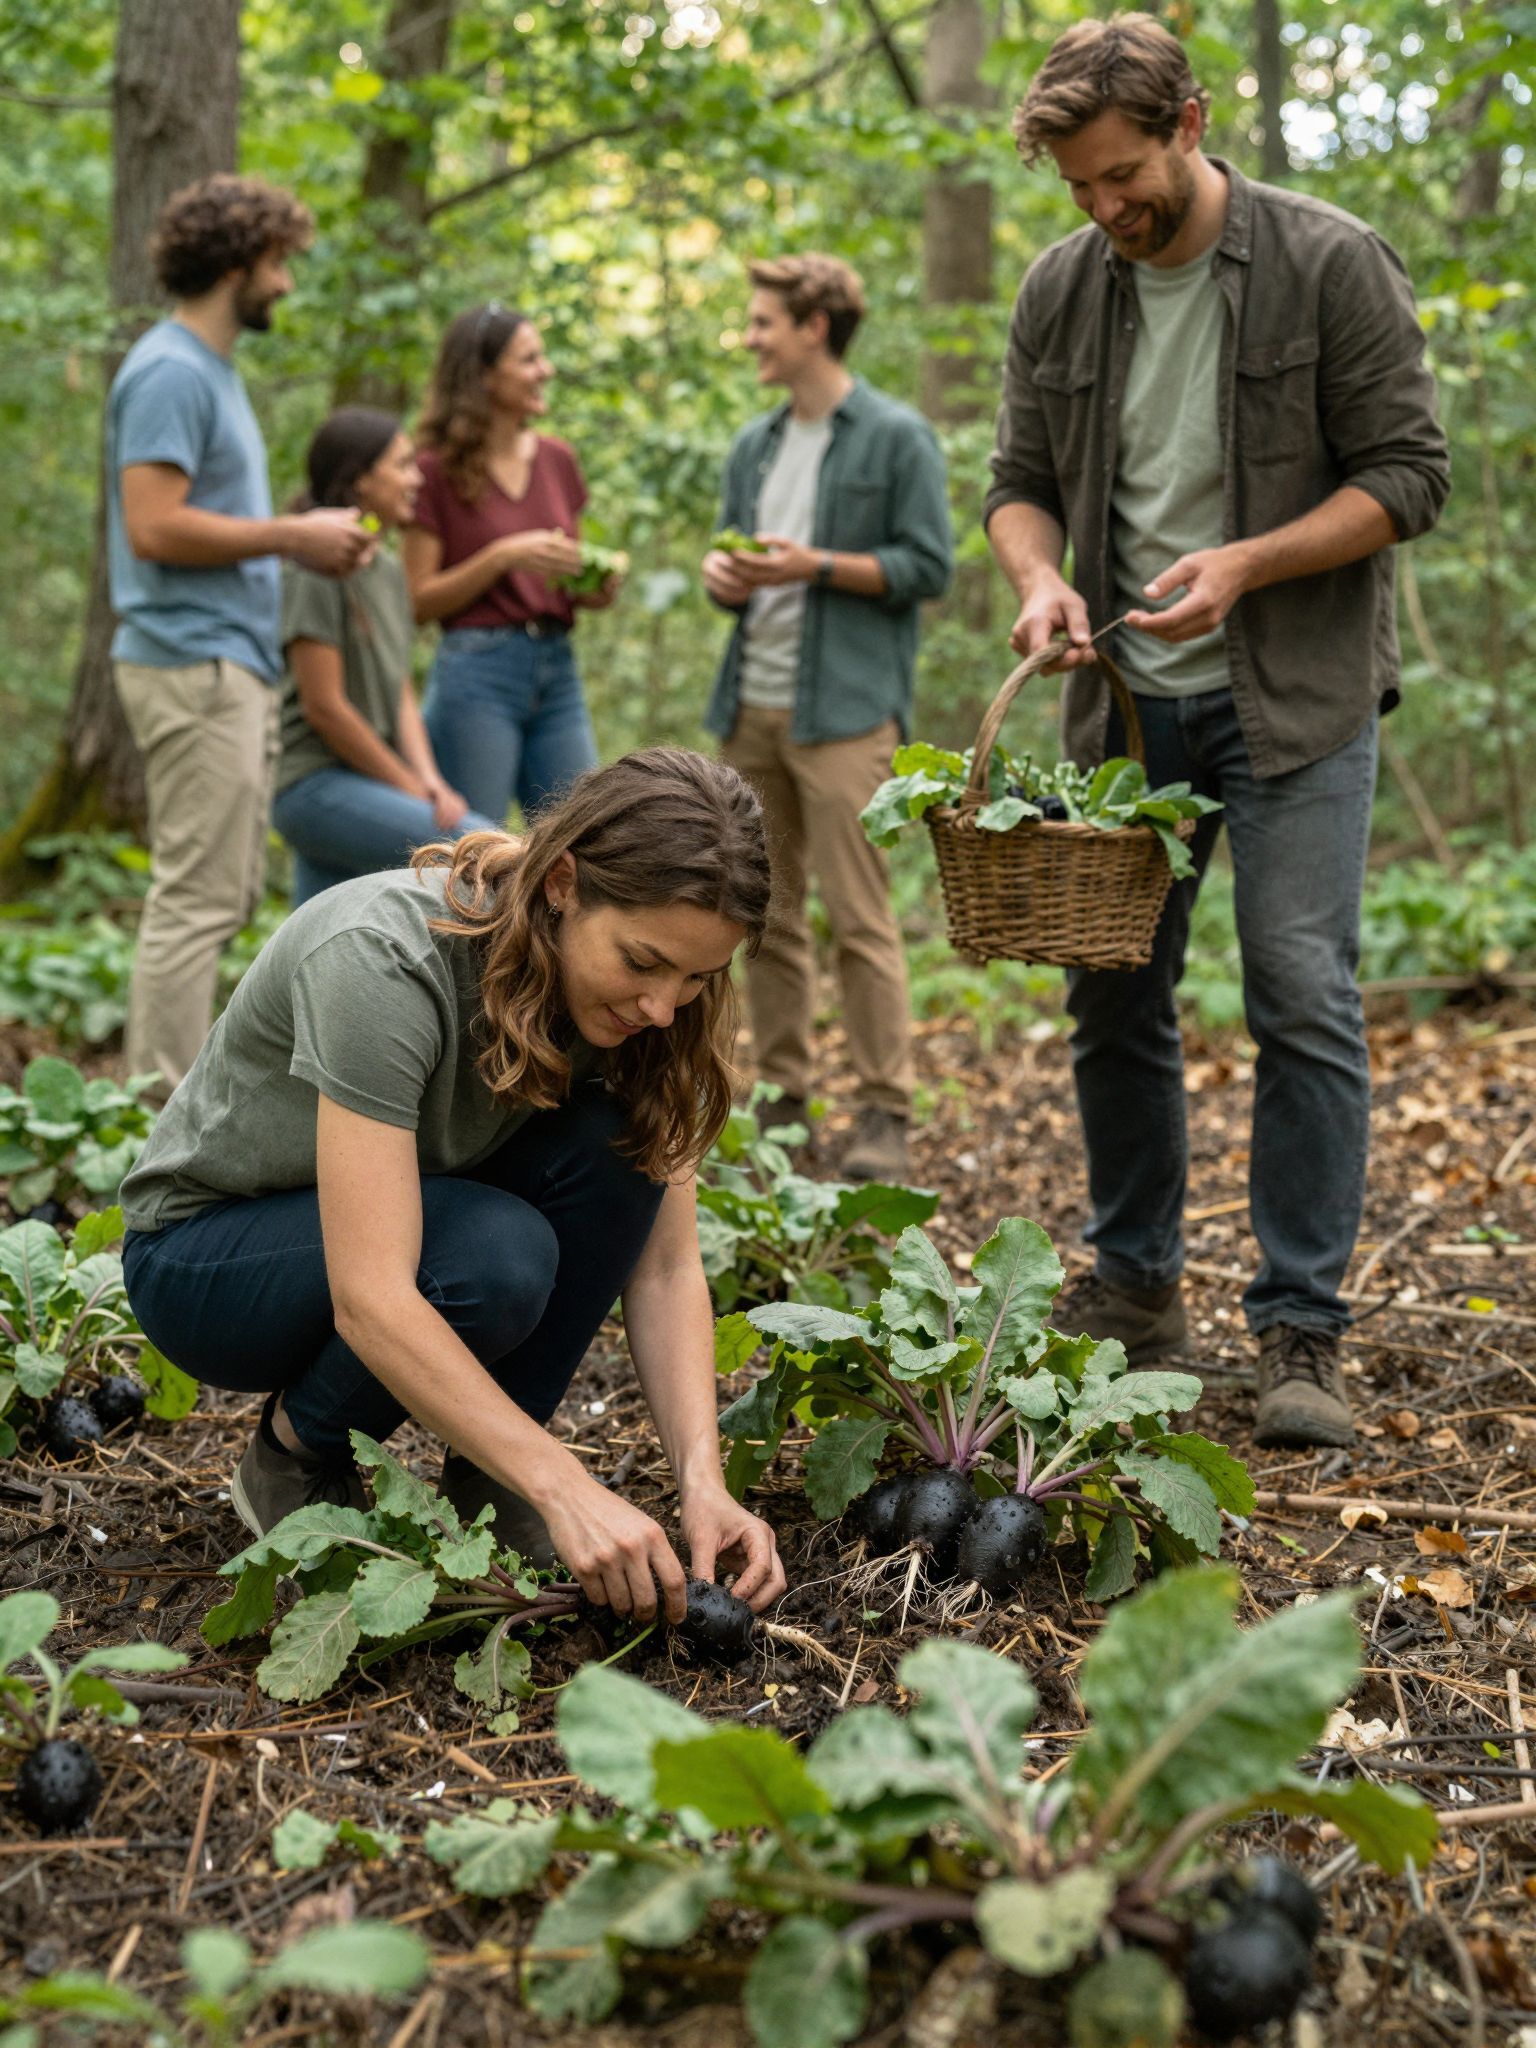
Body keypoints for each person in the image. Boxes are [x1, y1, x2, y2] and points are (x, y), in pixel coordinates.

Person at [985, 15, 1449, 1448]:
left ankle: (1300, 1329)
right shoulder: (1066, 288)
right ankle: (1136, 1282)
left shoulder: (1328, 259)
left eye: (1124, 176)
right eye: (1078, 188)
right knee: (1113, 996)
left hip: (1293, 694)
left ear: (1189, 122)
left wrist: (1248, 562)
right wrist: (1043, 577)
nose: (1106, 210)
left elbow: (1411, 477)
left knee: (1298, 990)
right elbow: (1018, 482)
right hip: (1124, 705)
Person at [117, 750, 785, 1623]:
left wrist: (704, 1481)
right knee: (493, 1255)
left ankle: (488, 1485)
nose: (664, 1005)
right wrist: (565, 1481)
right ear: (562, 884)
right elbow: (372, 1297)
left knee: (620, 1145)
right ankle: (292, 1456)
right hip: (208, 1260)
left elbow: (663, 1270)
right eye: (643, 961)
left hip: (415, 1218)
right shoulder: (382, 960)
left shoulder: (651, 1015)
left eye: (696, 978)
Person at [107, 174, 373, 1097]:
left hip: (228, 662)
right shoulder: (172, 370)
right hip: (192, 660)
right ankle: (149, 1112)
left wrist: (300, 549)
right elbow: (153, 525)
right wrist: (292, 535)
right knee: (194, 902)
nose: (287, 285)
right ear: (235, 263)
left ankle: (163, 1103)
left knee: (216, 897)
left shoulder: (208, 372)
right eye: (278, 263)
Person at [701, 255, 953, 1184]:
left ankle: (885, 1110)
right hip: (749, 710)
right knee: (757, 916)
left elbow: (929, 568)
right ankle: (782, 1098)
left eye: (764, 321)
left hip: (847, 715)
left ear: (815, 327)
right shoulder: (753, 444)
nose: (752, 336)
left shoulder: (897, 437)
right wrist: (720, 577)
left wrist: (813, 564)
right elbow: (735, 569)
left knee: (860, 917)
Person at [402, 304, 620, 830]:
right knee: (474, 852)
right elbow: (416, 600)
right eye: (529, 359)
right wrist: (501, 558)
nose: (545, 370)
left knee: (583, 839)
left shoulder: (557, 460)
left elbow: (577, 588)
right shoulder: (431, 470)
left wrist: (597, 584)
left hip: (557, 669)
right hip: (477, 672)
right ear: (483, 375)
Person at [272, 407, 497, 905]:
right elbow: (324, 707)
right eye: (402, 465)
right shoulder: (314, 571)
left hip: (366, 782)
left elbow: (399, 690)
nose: (417, 478)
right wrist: (407, 789)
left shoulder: (390, 571)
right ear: (359, 481)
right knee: (486, 859)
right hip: (312, 785)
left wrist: (430, 782)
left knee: (319, 933)